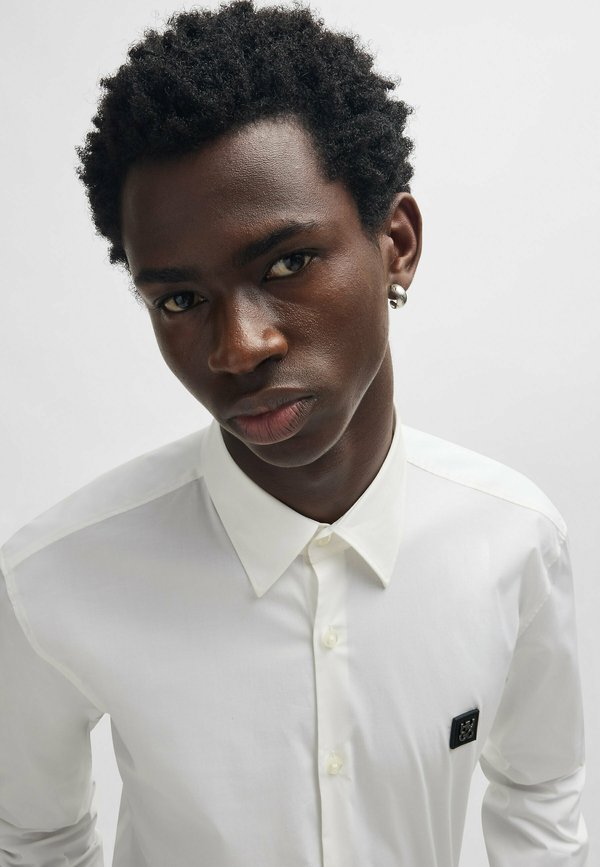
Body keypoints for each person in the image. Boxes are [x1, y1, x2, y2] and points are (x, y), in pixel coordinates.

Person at [0, 2, 588, 865]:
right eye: (180, 299)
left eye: (287, 262)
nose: (239, 347)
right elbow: (34, 837)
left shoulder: (514, 540)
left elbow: (540, 792)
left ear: (396, 243)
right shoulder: (55, 577)